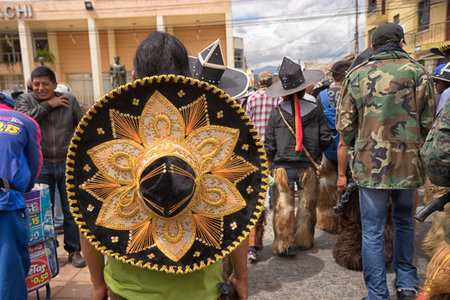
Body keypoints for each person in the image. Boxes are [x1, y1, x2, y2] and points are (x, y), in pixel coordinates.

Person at [79, 31, 255, 300]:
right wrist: (240, 276)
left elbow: (86, 222)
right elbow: (238, 216)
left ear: (135, 76)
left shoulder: (112, 130)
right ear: (188, 72)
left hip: (128, 288)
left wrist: (97, 283)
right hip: (201, 288)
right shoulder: (211, 128)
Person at [336, 22, 435, 300]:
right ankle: (406, 284)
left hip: (370, 165)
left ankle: (378, 294)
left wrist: (363, 141)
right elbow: (429, 123)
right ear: (402, 42)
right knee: (404, 222)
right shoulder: (419, 73)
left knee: (373, 230)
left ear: (372, 46)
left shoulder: (356, 75)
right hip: (409, 162)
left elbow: (344, 127)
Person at [15, 66, 86, 268]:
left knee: (71, 209)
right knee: (43, 211)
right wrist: (48, 105)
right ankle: (48, 252)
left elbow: (82, 126)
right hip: (40, 163)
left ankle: (74, 251)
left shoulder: (69, 101)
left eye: (45, 83)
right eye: (36, 84)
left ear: (55, 85)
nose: (40, 87)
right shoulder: (25, 100)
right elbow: (25, 122)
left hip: (67, 162)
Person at [265, 57, 332, 256]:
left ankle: (284, 243)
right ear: (304, 88)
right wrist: (317, 155)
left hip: (281, 167)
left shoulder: (276, 113)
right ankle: (303, 241)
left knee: (283, 206)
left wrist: (268, 164)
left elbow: (269, 144)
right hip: (307, 166)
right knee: (306, 205)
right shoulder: (316, 110)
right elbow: (326, 138)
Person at [0, 92, 42, 300]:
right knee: (10, 270)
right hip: (6, 202)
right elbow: (35, 163)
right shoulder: (25, 121)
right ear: (11, 106)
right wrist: (24, 188)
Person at [244, 70, 282, 262]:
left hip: (256, 148)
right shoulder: (277, 99)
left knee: (258, 189)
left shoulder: (251, 99)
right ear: (271, 82)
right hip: (274, 146)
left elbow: (247, 122)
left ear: (259, 83)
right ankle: (277, 227)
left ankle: (253, 243)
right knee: (274, 185)